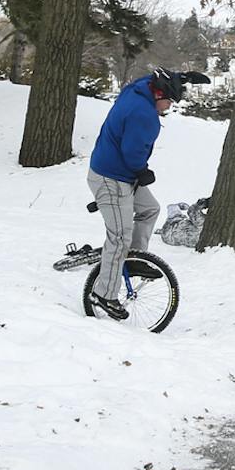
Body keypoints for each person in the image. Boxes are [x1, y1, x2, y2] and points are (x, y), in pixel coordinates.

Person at [85, 67, 199, 320]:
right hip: (111, 178)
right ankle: (103, 294)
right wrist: (142, 171)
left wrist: (183, 77)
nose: (169, 106)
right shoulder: (144, 115)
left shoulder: (139, 89)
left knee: (150, 209)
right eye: (169, 101)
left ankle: (133, 260)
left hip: (118, 172)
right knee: (119, 238)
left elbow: (152, 77)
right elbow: (132, 154)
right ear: (158, 94)